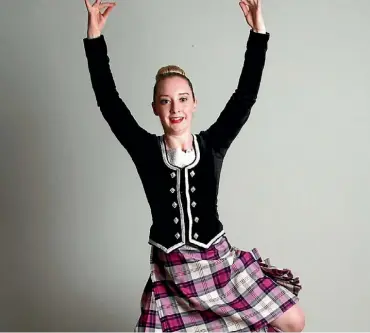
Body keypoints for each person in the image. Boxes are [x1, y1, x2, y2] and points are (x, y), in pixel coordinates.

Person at [83, 0, 305, 331]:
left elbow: (244, 97)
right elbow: (109, 102)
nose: (175, 108)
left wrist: (258, 33)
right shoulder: (145, 150)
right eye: (165, 100)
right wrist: (94, 37)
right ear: (156, 108)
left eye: (183, 98)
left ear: (194, 103)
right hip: (174, 273)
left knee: (293, 321)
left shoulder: (212, 144)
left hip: (218, 262)